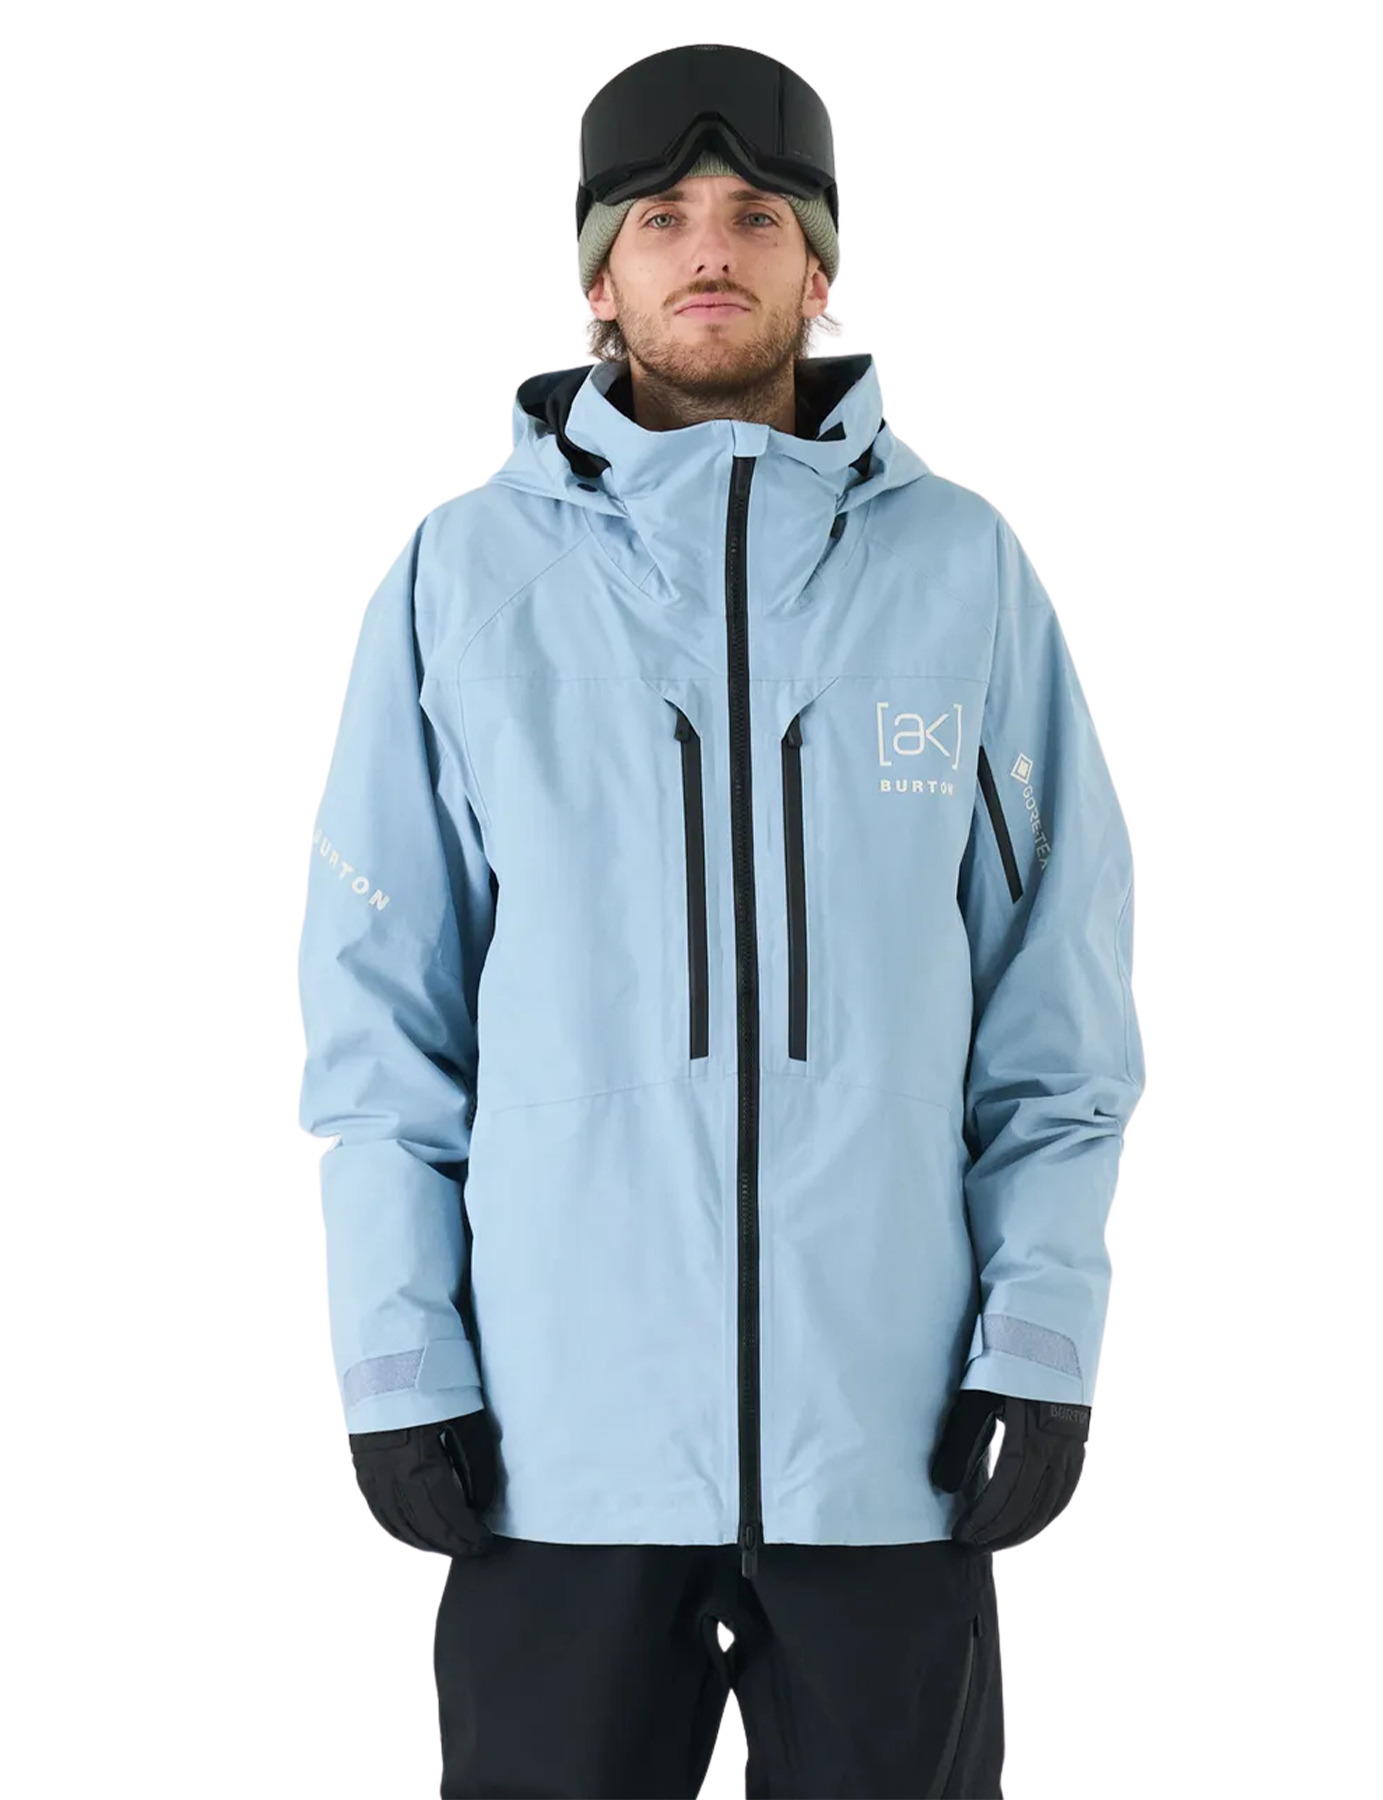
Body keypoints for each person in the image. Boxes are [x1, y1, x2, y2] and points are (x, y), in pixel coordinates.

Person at [297, 43, 1144, 1800]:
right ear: (599, 280)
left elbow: (1055, 1011)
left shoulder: (964, 572)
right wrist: (396, 1356)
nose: (711, 247)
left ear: (817, 275)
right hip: (557, 1456)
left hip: (894, 1454)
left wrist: (1043, 1338)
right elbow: (380, 1017)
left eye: (758, 216)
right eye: (662, 216)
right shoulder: (464, 580)